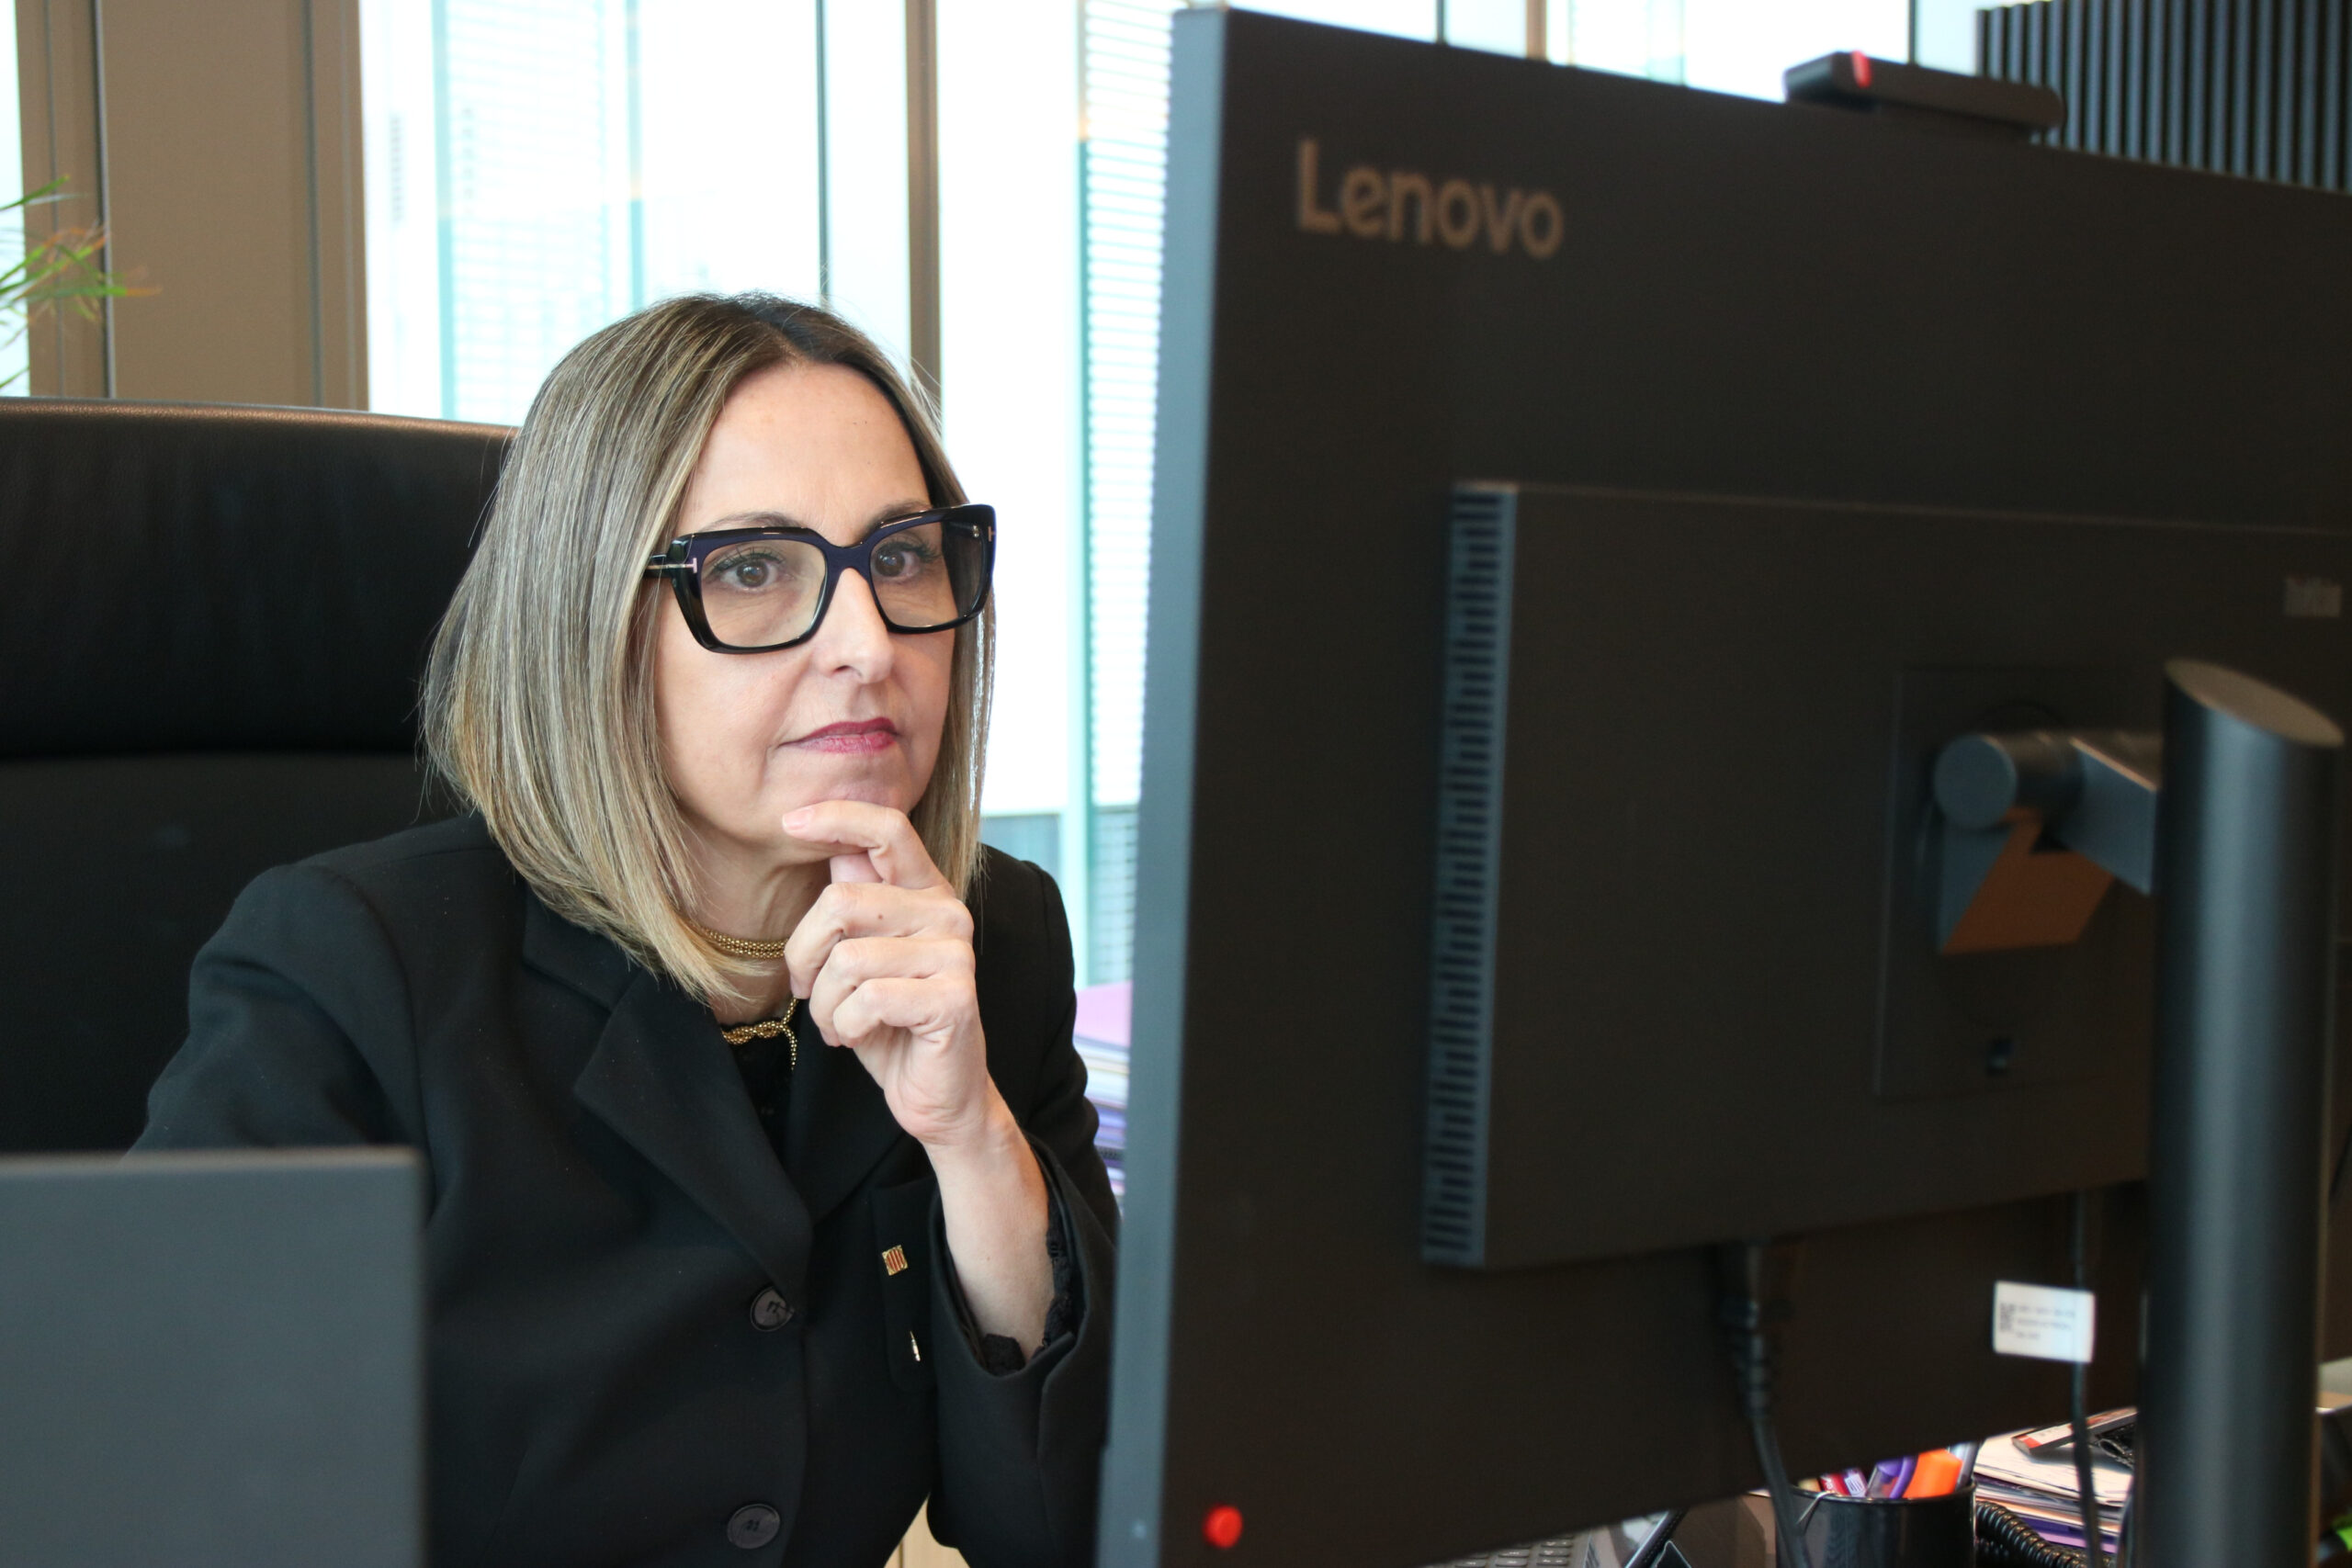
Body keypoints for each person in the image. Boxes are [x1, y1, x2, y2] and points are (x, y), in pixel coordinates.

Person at [136, 293, 1118, 1568]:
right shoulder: (350, 974)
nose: (868, 645)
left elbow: (1069, 1527)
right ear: (591, 619)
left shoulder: (987, 940)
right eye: (752, 570)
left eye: (902, 558)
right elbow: (170, 1500)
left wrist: (972, 1138)